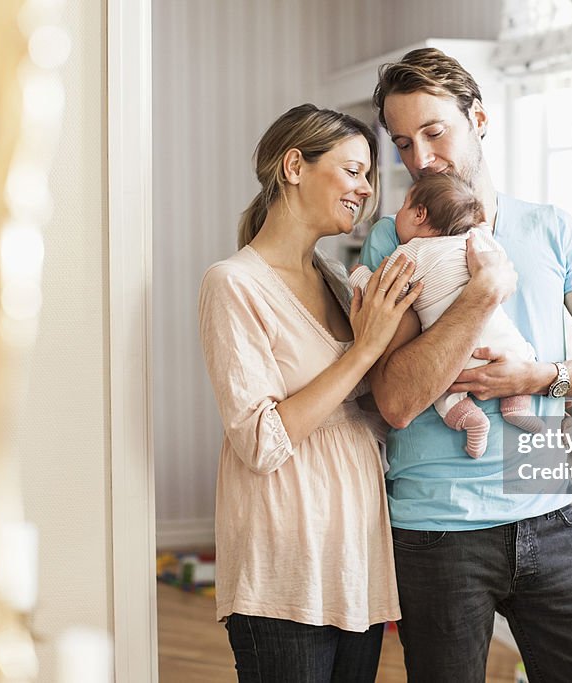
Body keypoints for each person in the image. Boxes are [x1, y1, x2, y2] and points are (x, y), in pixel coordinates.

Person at [359, 48, 572, 682]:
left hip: (549, 517)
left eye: (435, 132)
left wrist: (538, 377)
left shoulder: (551, 229)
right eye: (404, 144)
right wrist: (482, 294)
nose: (421, 160)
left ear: (480, 119)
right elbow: (397, 400)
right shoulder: (395, 239)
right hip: (437, 533)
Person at [197, 103, 423, 683]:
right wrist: (365, 351)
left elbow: (373, 410)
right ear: (295, 166)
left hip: (356, 562)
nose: (367, 190)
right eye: (353, 171)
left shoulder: (336, 280)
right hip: (283, 568)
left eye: (370, 176)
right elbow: (260, 440)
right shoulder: (234, 284)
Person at [348, 174, 544, 458]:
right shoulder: (473, 239)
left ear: (419, 214)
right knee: (523, 353)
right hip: (500, 340)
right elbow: (499, 264)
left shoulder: (410, 253)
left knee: (444, 393)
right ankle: (517, 407)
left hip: (456, 356)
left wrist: (359, 277)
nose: (397, 216)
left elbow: (388, 291)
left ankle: (473, 422)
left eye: (403, 207)